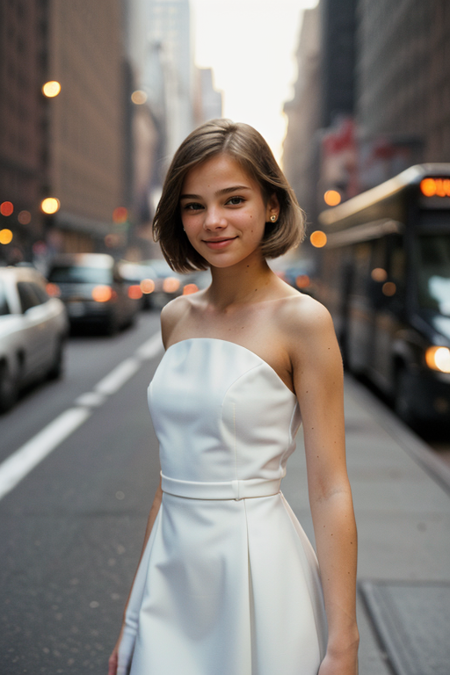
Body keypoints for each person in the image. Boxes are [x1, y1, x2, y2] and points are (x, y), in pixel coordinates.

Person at [108, 119, 359, 675]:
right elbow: (167, 479)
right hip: (171, 572)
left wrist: (344, 642)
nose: (213, 221)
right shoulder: (176, 318)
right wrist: (131, 619)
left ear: (271, 205)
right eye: (194, 205)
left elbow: (330, 487)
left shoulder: (303, 321)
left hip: (257, 572)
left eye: (234, 200)